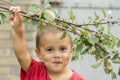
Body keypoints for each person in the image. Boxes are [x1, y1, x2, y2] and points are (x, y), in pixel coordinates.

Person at [9, 6, 85, 80]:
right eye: (49, 50)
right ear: (38, 53)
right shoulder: (35, 70)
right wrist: (17, 29)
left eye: (63, 49)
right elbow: (21, 55)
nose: (57, 55)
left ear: (71, 51)